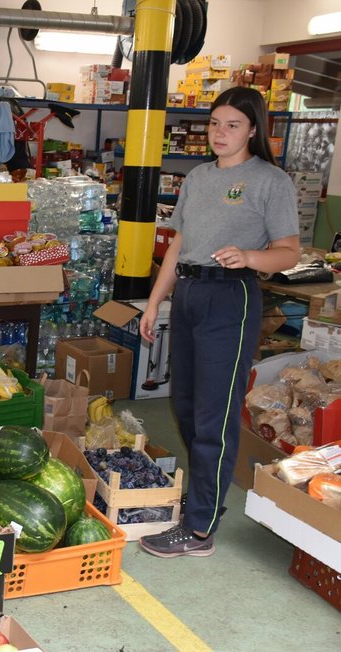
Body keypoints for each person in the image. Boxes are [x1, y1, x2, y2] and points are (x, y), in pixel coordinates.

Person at [138, 87, 300, 559]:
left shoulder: (270, 181)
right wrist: (154, 303)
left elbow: (290, 250)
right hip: (189, 294)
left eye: (232, 124)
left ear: (253, 129)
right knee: (185, 406)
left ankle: (200, 527)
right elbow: (178, 245)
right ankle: (204, 498)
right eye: (214, 124)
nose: (220, 133)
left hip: (232, 297)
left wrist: (250, 255)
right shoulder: (198, 177)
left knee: (216, 414)